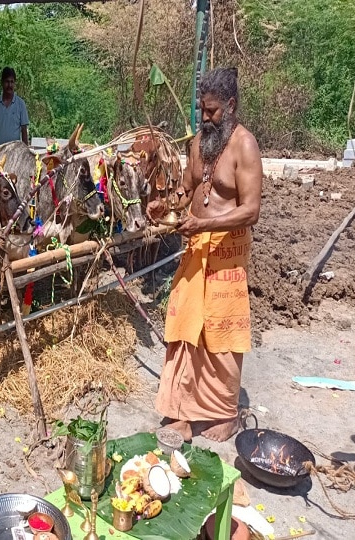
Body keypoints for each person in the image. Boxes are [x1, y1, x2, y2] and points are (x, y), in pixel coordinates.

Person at [146, 67, 263, 443]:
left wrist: (204, 226)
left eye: (212, 111)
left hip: (227, 258)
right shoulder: (199, 143)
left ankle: (224, 414)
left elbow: (251, 210)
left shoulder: (245, 145)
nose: (206, 118)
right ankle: (181, 411)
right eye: (202, 110)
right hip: (195, 252)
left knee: (221, 335)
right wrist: (164, 206)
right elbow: (186, 189)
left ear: (230, 106)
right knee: (183, 329)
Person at [0, 67, 29, 148]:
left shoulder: (21, 104)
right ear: (2, 82)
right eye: (7, 82)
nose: (9, 85)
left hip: (15, 153)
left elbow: (24, 132)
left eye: (12, 82)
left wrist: (25, 155)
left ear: (15, 83)